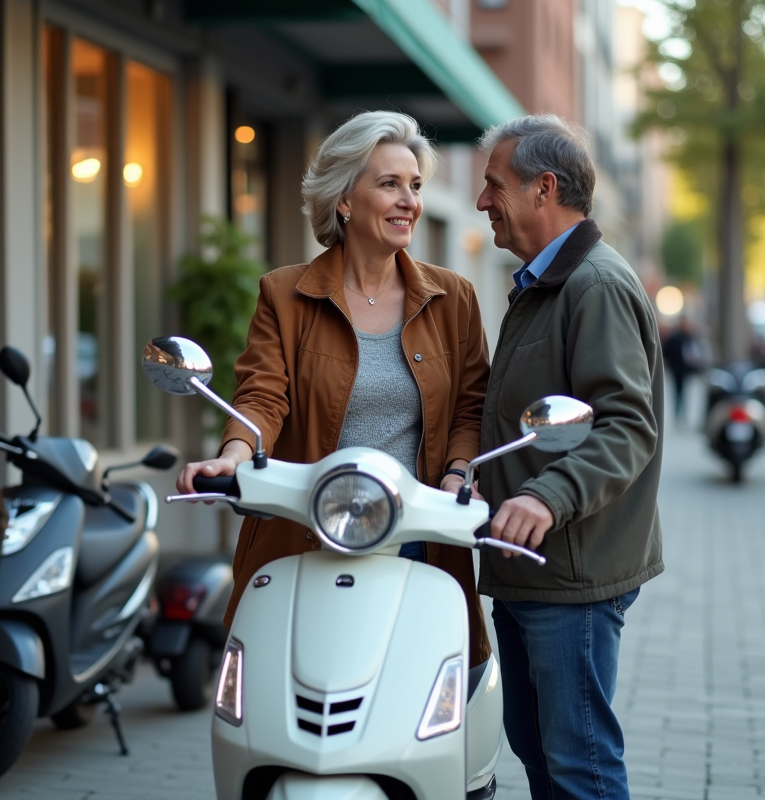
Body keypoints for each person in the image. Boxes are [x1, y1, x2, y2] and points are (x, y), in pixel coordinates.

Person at [175, 110, 492, 667]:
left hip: (416, 536)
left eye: (415, 186)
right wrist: (234, 456)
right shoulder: (283, 293)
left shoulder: (454, 297)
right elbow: (262, 395)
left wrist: (459, 474)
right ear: (344, 199)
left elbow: (471, 408)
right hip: (307, 534)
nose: (409, 201)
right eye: (389, 184)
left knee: (415, 704)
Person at [474, 114, 664, 800]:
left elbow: (626, 426)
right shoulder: (544, 283)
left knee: (579, 766)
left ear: (542, 189)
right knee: (540, 753)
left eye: (494, 185)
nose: (481, 202)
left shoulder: (595, 286)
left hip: (572, 574)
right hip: (531, 569)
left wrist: (545, 496)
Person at [662, 317, 702, 423]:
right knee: (679, 391)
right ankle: (679, 412)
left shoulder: (686, 338)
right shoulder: (681, 338)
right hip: (679, 369)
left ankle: (680, 412)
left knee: (681, 391)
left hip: (682, 369)